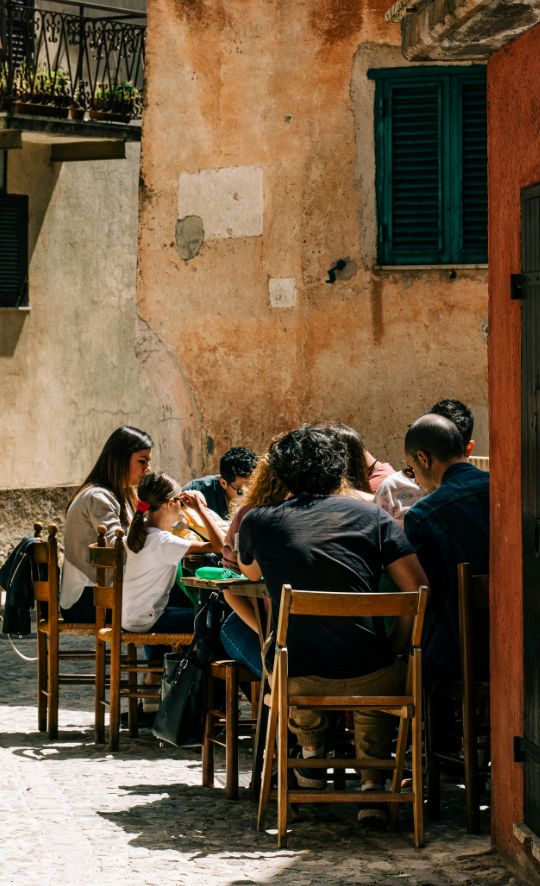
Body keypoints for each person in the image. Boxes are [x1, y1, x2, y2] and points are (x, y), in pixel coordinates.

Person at [237, 425, 427, 827]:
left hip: (298, 678)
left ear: (283, 473)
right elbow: (418, 588)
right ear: (338, 469)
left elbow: (248, 571)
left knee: (282, 646)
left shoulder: (260, 520)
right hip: (372, 673)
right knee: (372, 661)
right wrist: (396, 642)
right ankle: (374, 781)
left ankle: (310, 756)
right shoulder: (374, 515)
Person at [403, 414, 489, 685]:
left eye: (410, 470)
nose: (415, 479)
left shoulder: (423, 515)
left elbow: (429, 597)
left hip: (466, 651)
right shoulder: (508, 489)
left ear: (424, 459)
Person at [60, 426, 153, 623]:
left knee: (171, 598)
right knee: (172, 603)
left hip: (105, 592)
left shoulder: (123, 494)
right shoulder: (98, 497)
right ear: (120, 460)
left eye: (148, 462)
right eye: (142, 461)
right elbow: (118, 550)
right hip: (87, 599)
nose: (148, 469)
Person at [122, 472, 225, 634]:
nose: (182, 507)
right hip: (148, 620)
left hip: (131, 617)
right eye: (180, 502)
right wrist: (199, 509)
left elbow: (178, 527)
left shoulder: (139, 531)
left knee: (201, 613)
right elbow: (220, 546)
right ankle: (196, 659)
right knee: (216, 620)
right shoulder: (164, 541)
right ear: (170, 504)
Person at [220, 449, 289, 676]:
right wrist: (265, 633)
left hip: (279, 627)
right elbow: (231, 582)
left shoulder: (250, 516)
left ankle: (274, 703)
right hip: (271, 624)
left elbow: (234, 578)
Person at [374, 398, 476, 527]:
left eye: (451, 451)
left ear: (468, 449)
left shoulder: (418, 516)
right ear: (422, 457)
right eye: (410, 470)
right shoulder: (391, 489)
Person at [183, 447, 258, 519]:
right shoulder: (198, 488)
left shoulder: (263, 492)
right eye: (241, 491)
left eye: (254, 487)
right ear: (223, 483)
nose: (249, 495)